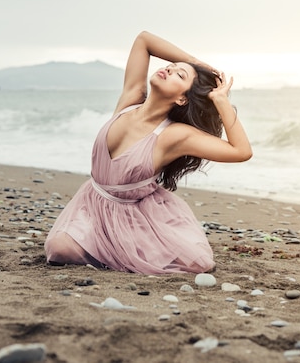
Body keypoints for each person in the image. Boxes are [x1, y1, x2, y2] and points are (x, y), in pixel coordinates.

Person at [44, 31, 252, 274]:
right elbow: (144, 40)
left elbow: (241, 151)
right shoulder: (130, 101)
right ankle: (106, 251)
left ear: (183, 99)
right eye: (171, 66)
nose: (169, 70)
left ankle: (113, 255)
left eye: (179, 75)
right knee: (59, 249)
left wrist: (220, 100)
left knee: (194, 264)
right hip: (91, 202)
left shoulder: (172, 135)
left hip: (130, 214)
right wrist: (195, 64)